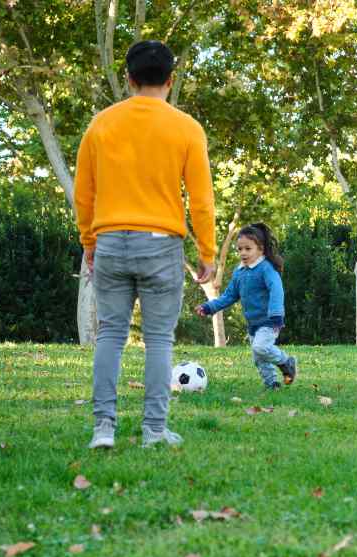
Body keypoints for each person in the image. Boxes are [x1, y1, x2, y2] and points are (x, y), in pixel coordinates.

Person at [75, 40, 217, 449]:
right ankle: (154, 430)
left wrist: (89, 241)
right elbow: (202, 199)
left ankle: (104, 428)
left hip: (110, 240)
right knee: (159, 340)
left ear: (129, 78)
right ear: (171, 80)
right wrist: (206, 253)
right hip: (160, 243)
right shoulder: (186, 127)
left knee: (111, 336)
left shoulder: (101, 124)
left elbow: (84, 193)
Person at [195, 224, 296, 390]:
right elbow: (229, 296)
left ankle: (286, 362)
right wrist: (209, 307)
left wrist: (277, 313)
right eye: (240, 249)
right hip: (253, 324)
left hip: (270, 321)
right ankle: (272, 384)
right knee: (259, 357)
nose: (243, 253)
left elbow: (276, 289)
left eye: (248, 249)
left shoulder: (266, 269)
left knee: (261, 347)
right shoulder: (239, 272)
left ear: (260, 249)